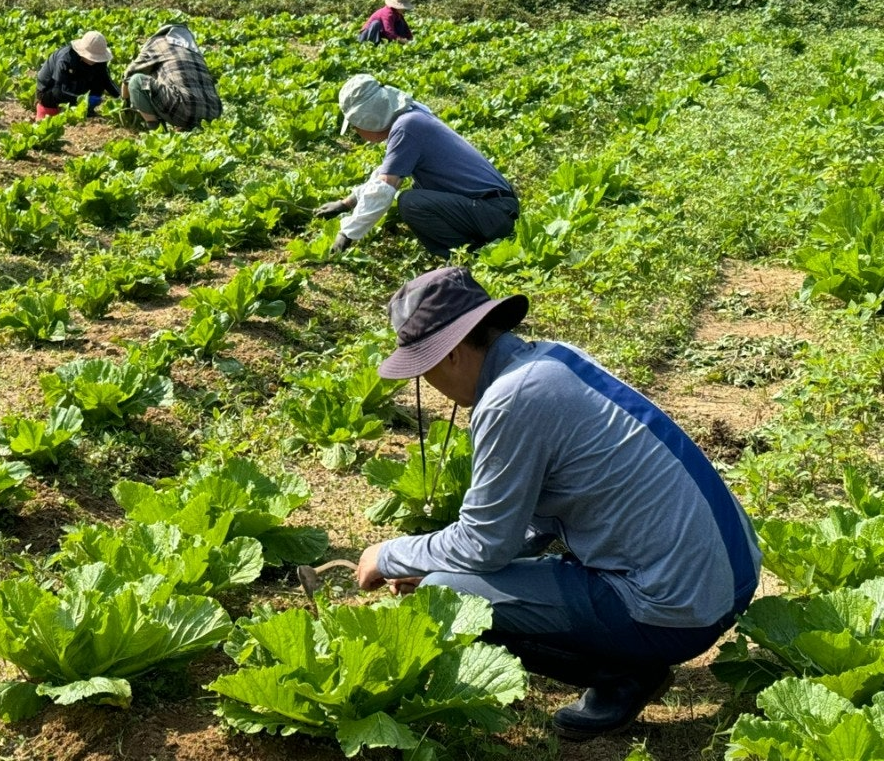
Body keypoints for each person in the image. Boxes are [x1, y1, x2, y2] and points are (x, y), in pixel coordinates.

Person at [355, 266, 761, 741]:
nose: (426, 381)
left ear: (452, 354)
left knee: (445, 592)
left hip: (678, 609)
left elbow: (484, 544)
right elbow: (526, 525)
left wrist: (389, 554)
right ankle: (633, 654)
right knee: (447, 574)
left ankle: (629, 674)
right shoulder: (551, 360)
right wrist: (435, 557)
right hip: (731, 577)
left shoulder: (510, 400)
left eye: (422, 367)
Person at [313, 74, 518, 258]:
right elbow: (385, 173)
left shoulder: (406, 128)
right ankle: (472, 248)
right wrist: (346, 203)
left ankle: (468, 254)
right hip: (494, 209)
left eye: (355, 126)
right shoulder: (412, 116)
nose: (357, 132)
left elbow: (384, 187)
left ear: (369, 118)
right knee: (418, 192)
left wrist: (347, 234)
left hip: (493, 213)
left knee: (411, 202)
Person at [120, 23, 222, 131]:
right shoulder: (194, 52)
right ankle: (189, 126)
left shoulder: (159, 44)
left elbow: (129, 74)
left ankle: (155, 128)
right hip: (213, 113)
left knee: (136, 80)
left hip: (185, 110)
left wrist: (125, 102)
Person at [35, 30, 120, 120]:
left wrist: (122, 98)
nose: (95, 60)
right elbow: (58, 91)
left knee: (99, 79)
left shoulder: (99, 62)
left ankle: (87, 111)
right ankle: (49, 111)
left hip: (77, 87)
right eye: (92, 57)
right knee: (50, 107)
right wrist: (84, 100)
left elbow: (106, 80)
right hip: (50, 89)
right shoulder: (65, 59)